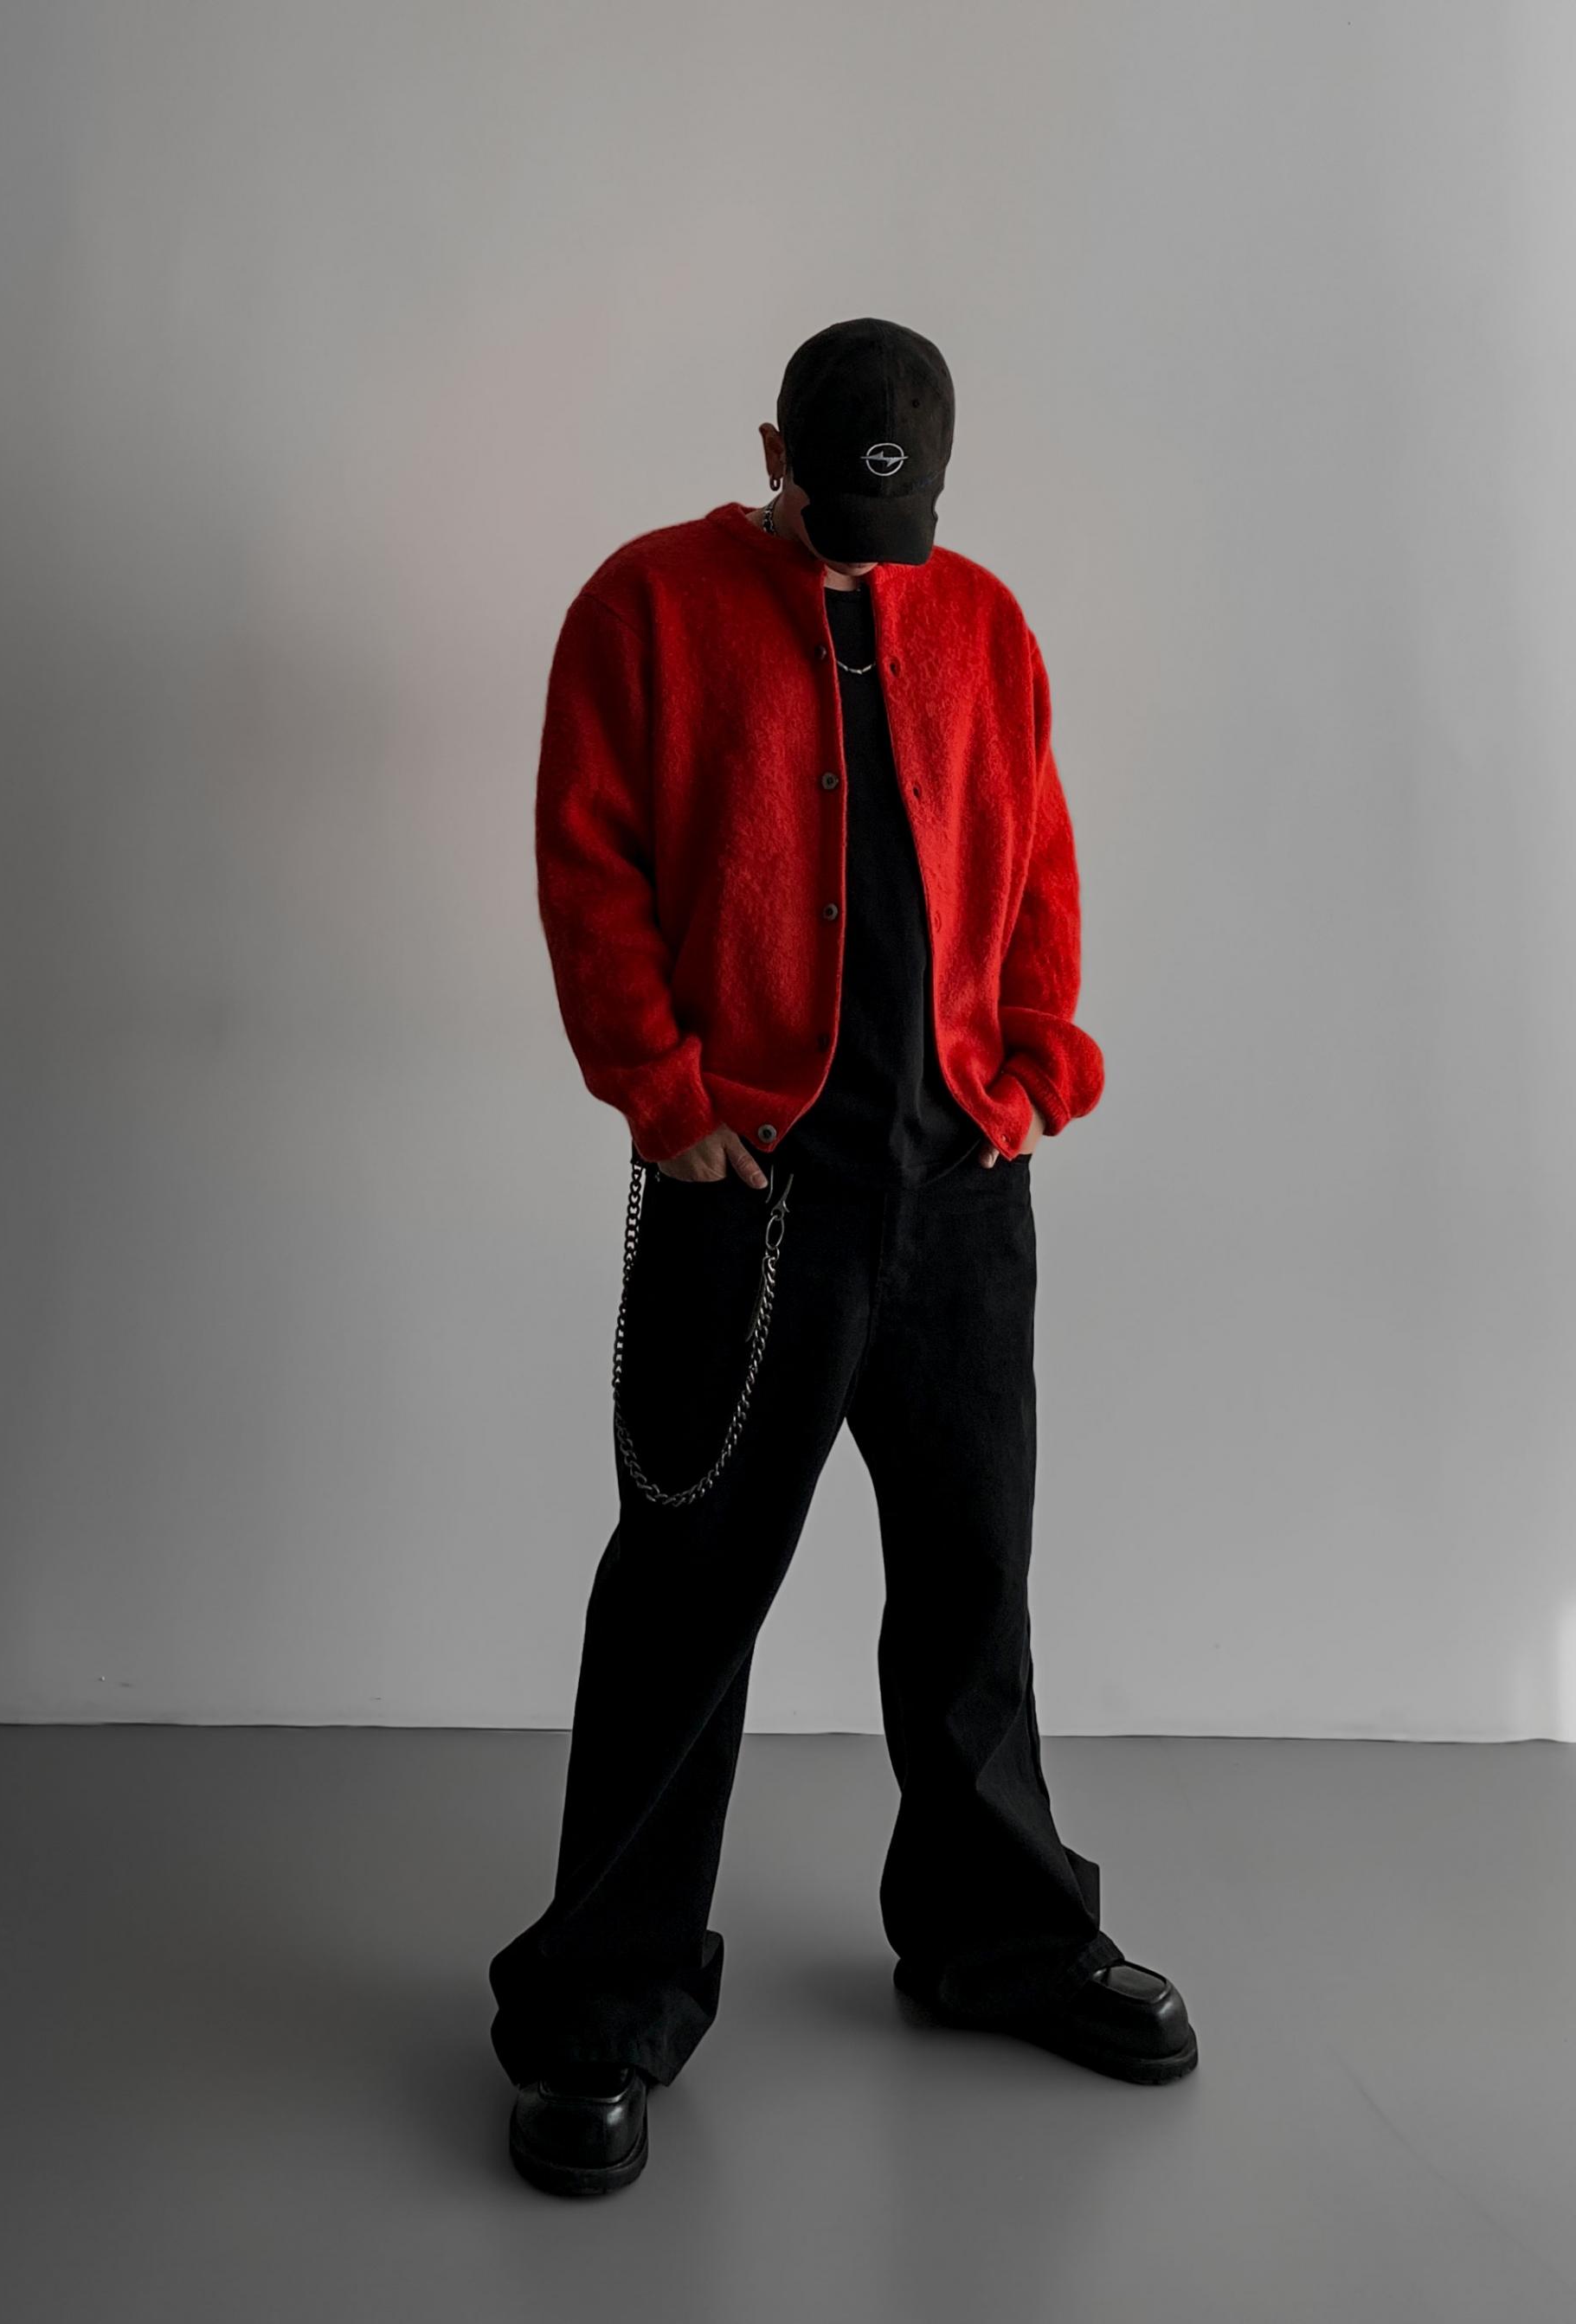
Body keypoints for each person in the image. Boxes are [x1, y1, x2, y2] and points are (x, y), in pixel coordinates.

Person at [491, 317, 1198, 2199]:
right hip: (751, 1196)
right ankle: (601, 2004)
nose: (865, 554)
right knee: (684, 1593)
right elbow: (587, 860)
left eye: (903, 523)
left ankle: (1001, 1935)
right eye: (834, 510)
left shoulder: (985, 619)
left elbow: (1040, 860)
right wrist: (660, 1095)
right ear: (770, 452)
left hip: (959, 1193)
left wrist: (1034, 1072)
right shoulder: (644, 608)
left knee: (973, 1581)